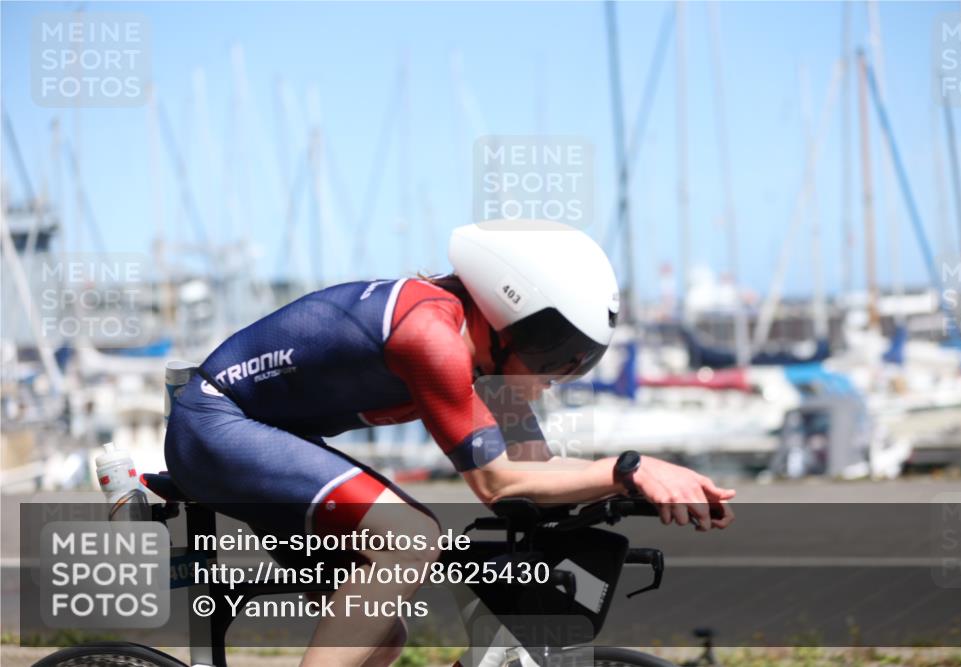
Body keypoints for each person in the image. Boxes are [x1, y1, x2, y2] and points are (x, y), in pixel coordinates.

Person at [164, 219, 735, 667]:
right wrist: (628, 468)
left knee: (379, 642)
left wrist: (630, 491)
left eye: (577, 362)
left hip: (266, 436)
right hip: (215, 426)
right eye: (556, 354)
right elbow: (498, 483)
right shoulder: (431, 336)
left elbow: (534, 470)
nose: (558, 375)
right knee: (413, 537)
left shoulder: (485, 356)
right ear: (511, 317)